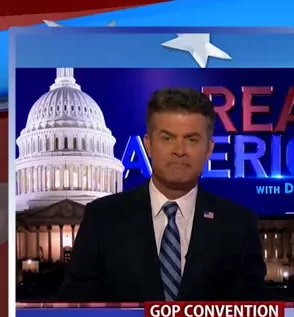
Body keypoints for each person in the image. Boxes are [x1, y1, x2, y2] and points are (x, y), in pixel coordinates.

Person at [59, 88, 266, 302]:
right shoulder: (102, 218)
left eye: (192, 139)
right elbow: (75, 314)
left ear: (209, 149)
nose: (179, 150)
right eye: (167, 138)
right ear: (148, 145)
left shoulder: (238, 225)